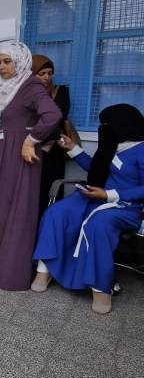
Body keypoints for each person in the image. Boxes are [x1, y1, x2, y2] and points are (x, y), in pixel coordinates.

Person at [31, 104, 144, 314]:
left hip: (124, 206)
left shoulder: (141, 149)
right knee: (57, 213)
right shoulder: (111, 144)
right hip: (95, 197)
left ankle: (101, 287)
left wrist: (108, 195)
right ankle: (44, 269)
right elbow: (97, 169)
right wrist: (73, 147)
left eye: (106, 125)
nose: (103, 129)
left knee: (97, 224)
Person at [0, 41, 62, 291]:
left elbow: (53, 116)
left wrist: (31, 140)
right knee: (0, 206)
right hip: (3, 157)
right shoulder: (7, 88)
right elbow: (3, 124)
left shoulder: (31, 85)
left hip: (23, 160)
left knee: (18, 210)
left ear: (20, 61)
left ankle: (11, 271)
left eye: (7, 61)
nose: (1, 66)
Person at [32, 55, 74, 215]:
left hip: (53, 149)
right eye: (41, 73)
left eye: (50, 73)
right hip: (31, 148)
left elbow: (58, 116)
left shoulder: (61, 91)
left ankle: (49, 231)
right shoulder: (25, 93)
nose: (47, 77)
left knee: (51, 191)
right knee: (31, 192)